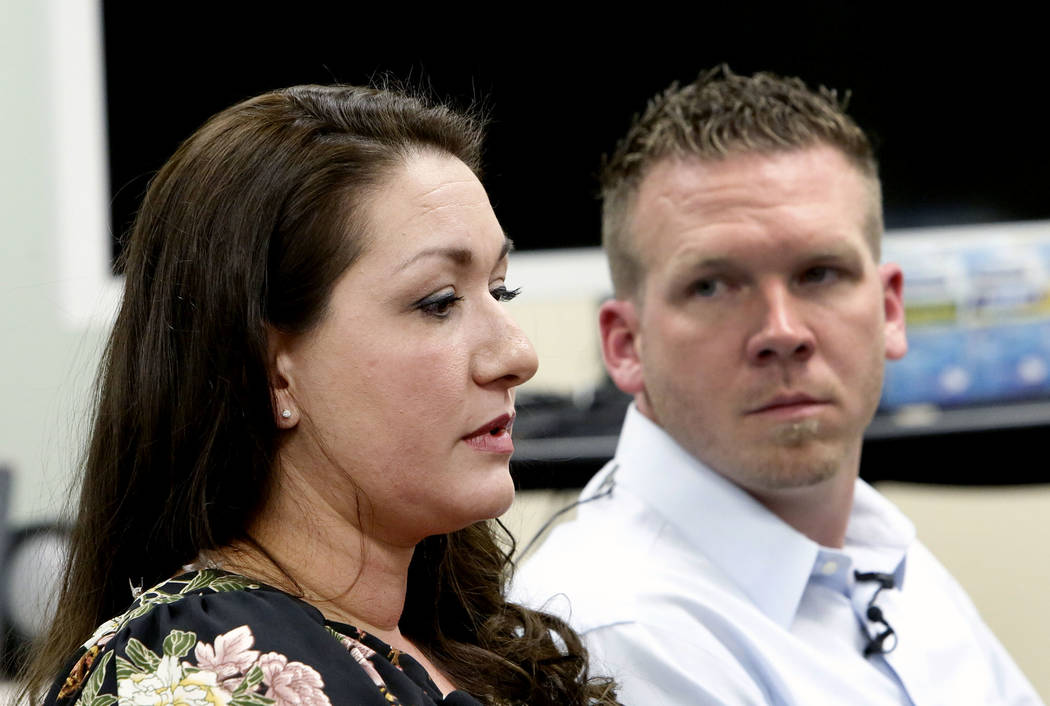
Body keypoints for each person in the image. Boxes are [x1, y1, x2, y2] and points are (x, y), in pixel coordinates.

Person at [20, 84, 618, 706]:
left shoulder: (467, 644)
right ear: (273, 372)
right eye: (439, 302)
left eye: (500, 290)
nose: (519, 356)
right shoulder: (207, 675)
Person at [512, 67, 1042, 705]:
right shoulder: (618, 633)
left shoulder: (881, 550)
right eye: (712, 286)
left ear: (890, 310)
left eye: (820, 273)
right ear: (626, 345)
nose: (783, 332)